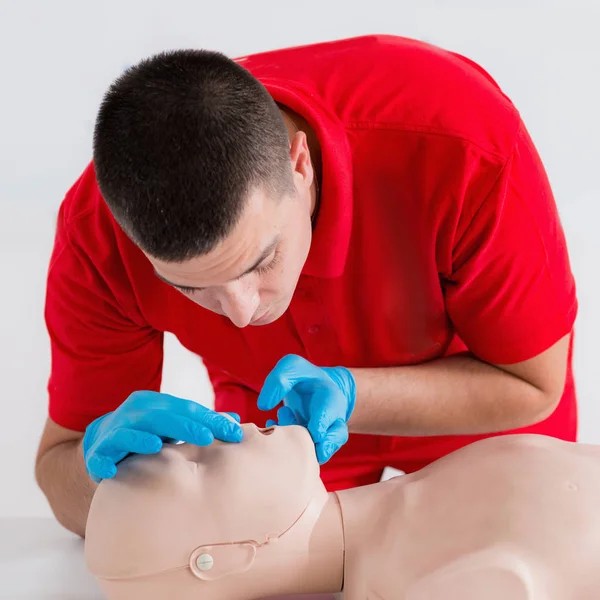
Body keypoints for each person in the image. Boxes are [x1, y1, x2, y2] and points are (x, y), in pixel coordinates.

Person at [35, 35, 577, 538]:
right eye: (192, 289)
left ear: (300, 167)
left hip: (480, 400)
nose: (242, 314)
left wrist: (354, 394)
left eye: (259, 261)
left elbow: (533, 385)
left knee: (533, 551)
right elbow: (59, 472)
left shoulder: (462, 145)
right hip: (281, 424)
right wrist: (102, 474)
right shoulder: (98, 235)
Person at [85, 423, 600, 600]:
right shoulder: (402, 577)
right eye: (198, 465)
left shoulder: (405, 503)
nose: (222, 431)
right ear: (214, 558)